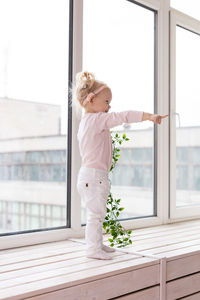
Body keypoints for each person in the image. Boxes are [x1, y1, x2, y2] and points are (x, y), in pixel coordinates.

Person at [74, 71, 168, 260]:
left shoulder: (87, 122)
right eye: (106, 101)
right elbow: (124, 116)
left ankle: (97, 244)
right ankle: (92, 249)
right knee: (95, 214)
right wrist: (149, 116)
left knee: (97, 214)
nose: (109, 106)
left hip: (91, 176)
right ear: (91, 100)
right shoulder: (97, 119)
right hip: (93, 177)